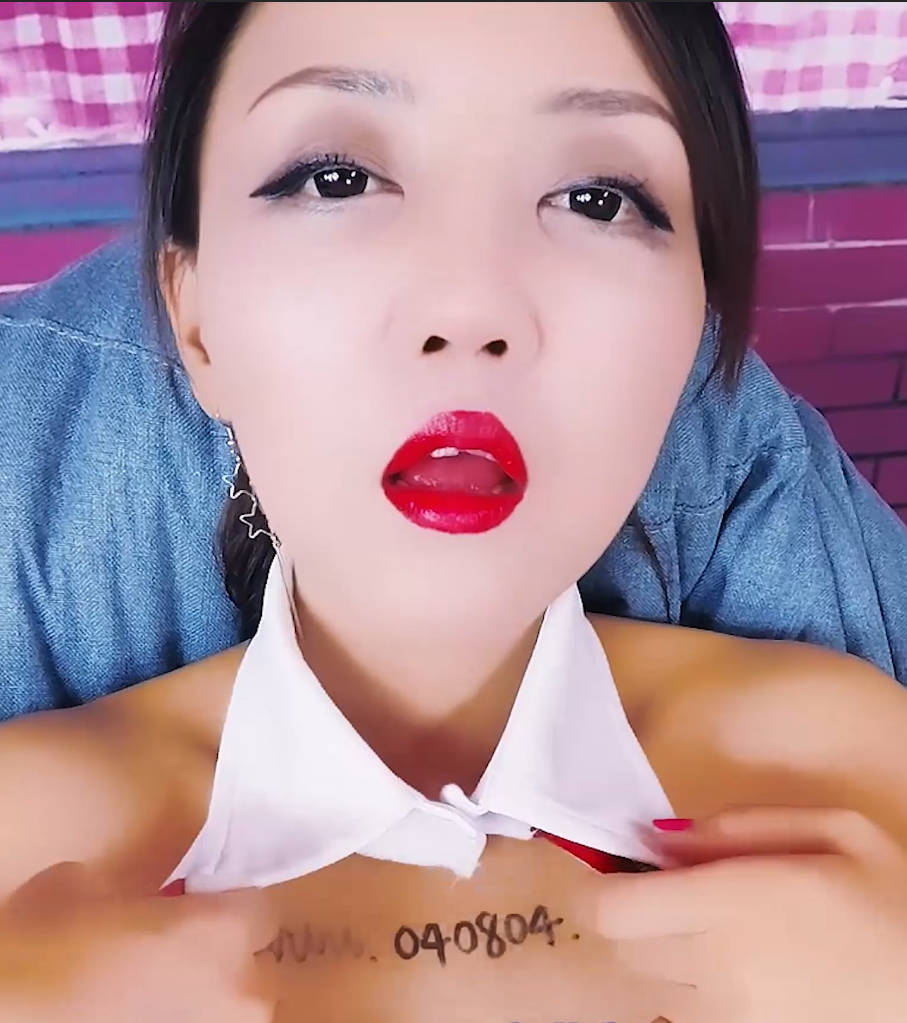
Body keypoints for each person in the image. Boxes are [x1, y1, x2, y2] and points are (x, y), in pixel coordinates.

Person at [1, 3, 906, 1021]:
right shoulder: (31, 849)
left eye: (597, 198)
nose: (469, 310)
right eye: (335, 178)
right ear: (195, 318)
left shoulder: (845, 770)